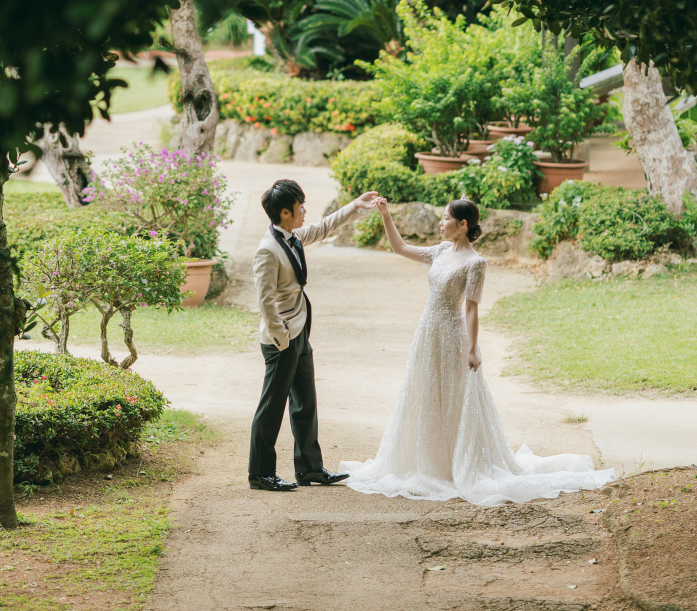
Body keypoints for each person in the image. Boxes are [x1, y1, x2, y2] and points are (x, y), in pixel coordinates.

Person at [343, 197, 615, 505]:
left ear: (462, 225)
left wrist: (472, 349)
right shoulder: (442, 251)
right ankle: (430, 461)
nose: (440, 223)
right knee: (426, 393)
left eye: (445, 218)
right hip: (427, 333)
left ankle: (456, 463)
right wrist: (386, 216)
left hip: (452, 336)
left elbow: (471, 309)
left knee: (455, 397)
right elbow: (400, 248)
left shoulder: (476, 263)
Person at [249, 179, 382, 492]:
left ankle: (310, 469)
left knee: (305, 403)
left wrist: (355, 206)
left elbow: (324, 227)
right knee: (272, 408)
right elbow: (265, 302)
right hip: (281, 339)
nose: (305, 211)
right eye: (300, 207)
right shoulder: (267, 251)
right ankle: (260, 474)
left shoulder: (292, 236)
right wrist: (282, 340)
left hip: (300, 333)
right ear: (284, 212)